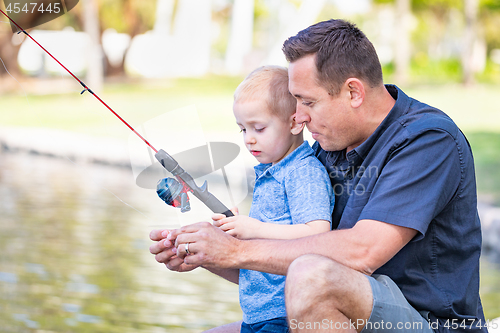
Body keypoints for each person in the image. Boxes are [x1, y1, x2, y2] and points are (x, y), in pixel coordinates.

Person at [150, 19, 487, 333]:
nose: (297, 116)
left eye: (307, 101)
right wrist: (207, 253)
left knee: (312, 274)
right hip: (344, 312)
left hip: (424, 324)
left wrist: (235, 252)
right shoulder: (325, 148)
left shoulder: (427, 142)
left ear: (353, 92)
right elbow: (284, 267)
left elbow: (361, 253)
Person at [213, 65, 334, 333]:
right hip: (257, 313)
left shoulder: (303, 172)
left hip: (282, 313)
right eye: (242, 130)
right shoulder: (274, 170)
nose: (249, 139)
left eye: (258, 128)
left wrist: (253, 228)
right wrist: (235, 229)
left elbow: (318, 232)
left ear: (293, 123)